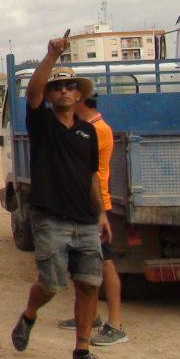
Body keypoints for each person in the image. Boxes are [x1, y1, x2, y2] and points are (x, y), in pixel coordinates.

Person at [10, 31, 113, 359]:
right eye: (57, 87)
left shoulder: (88, 132)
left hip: (85, 220)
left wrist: (101, 214)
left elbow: (91, 177)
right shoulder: (42, 124)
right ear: (51, 95)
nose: (64, 91)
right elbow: (33, 93)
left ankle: (82, 349)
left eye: (70, 87)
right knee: (52, 284)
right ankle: (29, 315)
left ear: (79, 94)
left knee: (89, 284)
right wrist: (52, 55)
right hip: (51, 218)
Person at [59, 95, 128, 345]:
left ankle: (115, 325)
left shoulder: (97, 130)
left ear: (81, 103)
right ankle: (92, 315)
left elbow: (88, 171)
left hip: (95, 205)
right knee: (88, 264)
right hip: (86, 205)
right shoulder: (90, 127)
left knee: (105, 264)